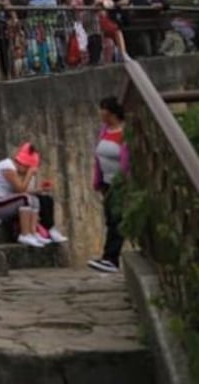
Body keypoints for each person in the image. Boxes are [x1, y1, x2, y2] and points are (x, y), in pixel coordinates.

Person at [0, 142, 67, 247]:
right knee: (25, 199)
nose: (26, 172)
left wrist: (40, 189)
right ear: (24, 164)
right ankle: (25, 234)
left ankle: (34, 233)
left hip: (2, 202)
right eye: (27, 169)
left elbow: (21, 192)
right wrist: (29, 174)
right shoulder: (7, 167)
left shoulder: (14, 170)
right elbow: (21, 190)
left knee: (35, 200)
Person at [88, 98, 128, 273]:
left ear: (111, 112)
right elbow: (99, 158)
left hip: (120, 184)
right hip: (107, 182)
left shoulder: (125, 132)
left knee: (116, 220)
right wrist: (97, 180)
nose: (100, 113)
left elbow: (127, 160)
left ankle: (110, 258)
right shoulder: (105, 130)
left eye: (103, 109)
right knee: (110, 219)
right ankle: (109, 258)